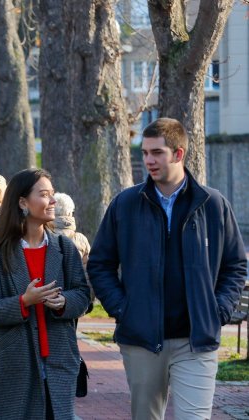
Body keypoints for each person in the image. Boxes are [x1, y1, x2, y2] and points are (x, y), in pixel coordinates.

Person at [87, 118, 247, 419]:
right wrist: (124, 309)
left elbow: (235, 265)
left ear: (178, 154)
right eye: (145, 152)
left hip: (196, 340)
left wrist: (217, 311)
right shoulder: (125, 204)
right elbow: (100, 264)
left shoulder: (212, 205)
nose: (148, 160)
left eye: (157, 152)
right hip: (142, 340)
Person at [0, 168, 91, 419]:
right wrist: (24, 302)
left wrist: (63, 302)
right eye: (44, 194)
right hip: (15, 366)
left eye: (52, 194)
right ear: (22, 202)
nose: (52, 201)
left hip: (59, 363)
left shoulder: (65, 249)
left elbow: (83, 296)